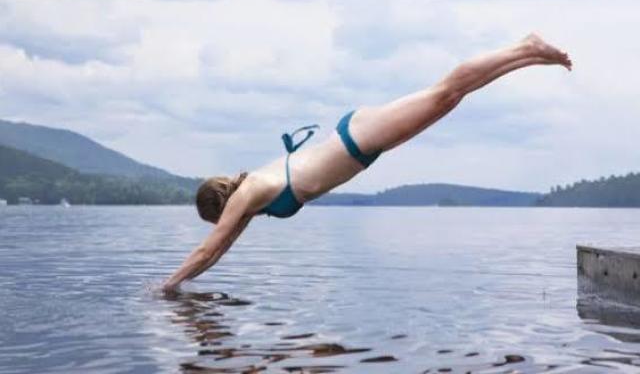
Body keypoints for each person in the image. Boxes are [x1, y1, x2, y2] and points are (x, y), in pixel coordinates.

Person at [162, 33, 572, 291]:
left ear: (218, 207)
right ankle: (527, 55)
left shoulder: (248, 193)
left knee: (444, 93)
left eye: (216, 221)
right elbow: (218, 251)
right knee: (449, 99)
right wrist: (181, 287)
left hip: (356, 140)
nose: (221, 228)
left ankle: (525, 49)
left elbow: (206, 250)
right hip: (361, 146)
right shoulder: (251, 200)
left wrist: (164, 288)